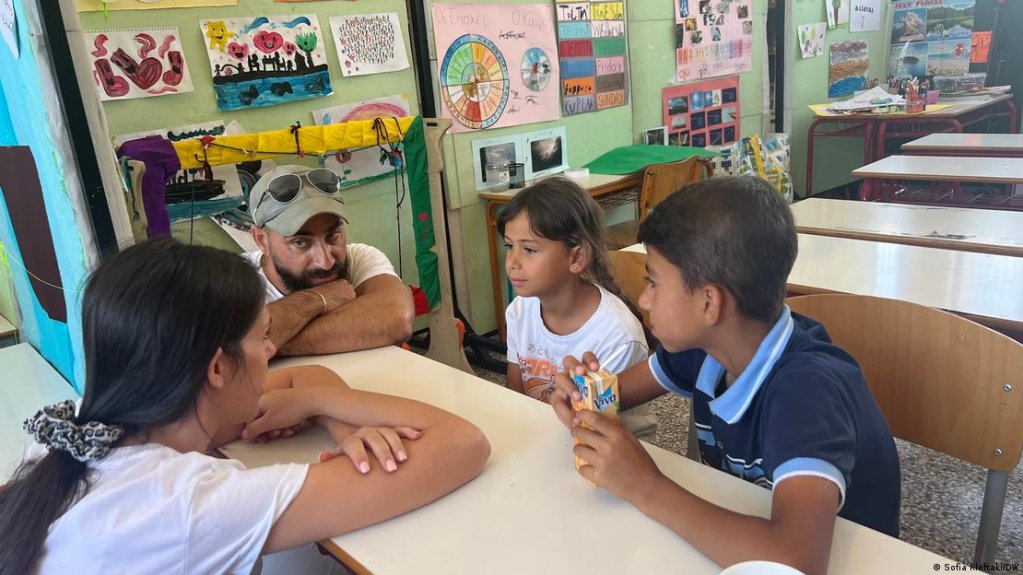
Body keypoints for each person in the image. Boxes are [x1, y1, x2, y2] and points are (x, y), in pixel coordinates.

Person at [0, 239, 490, 575]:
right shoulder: (187, 506)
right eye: (261, 340)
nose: (271, 354)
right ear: (216, 369)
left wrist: (335, 419)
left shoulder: (85, 424)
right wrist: (319, 402)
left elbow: (305, 378)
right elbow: (464, 443)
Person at [550, 177, 900, 575]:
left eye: (653, 281)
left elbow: (798, 561)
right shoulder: (707, 348)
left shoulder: (807, 390)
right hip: (744, 534)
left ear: (709, 302)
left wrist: (644, 486)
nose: (644, 300)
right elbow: (615, 396)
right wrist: (584, 397)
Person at [497, 178, 656, 438]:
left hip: (608, 451)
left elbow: (589, 424)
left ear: (576, 257)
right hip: (542, 441)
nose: (512, 261)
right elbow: (514, 393)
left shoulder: (617, 335)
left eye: (529, 249)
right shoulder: (520, 310)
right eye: (509, 245)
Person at [247, 164, 415, 356]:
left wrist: (262, 342)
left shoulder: (359, 257)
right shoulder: (230, 283)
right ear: (262, 240)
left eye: (333, 235)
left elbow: (396, 318)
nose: (326, 262)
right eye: (300, 242)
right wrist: (319, 298)